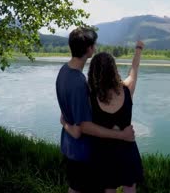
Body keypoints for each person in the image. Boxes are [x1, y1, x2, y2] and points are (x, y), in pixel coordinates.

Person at [56, 27, 135, 193]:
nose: (95, 47)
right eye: (94, 45)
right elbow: (80, 129)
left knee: (75, 187)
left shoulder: (64, 71)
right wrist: (121, 135)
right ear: (89, 49)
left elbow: (68, 112)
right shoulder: (79, 83)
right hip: (81, 151)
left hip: (69, 147)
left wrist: (64, 120)